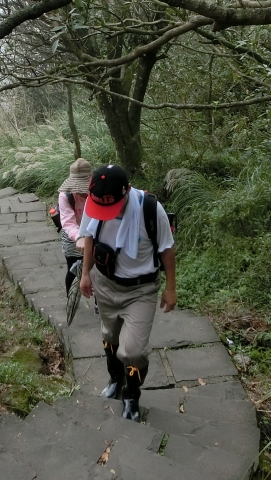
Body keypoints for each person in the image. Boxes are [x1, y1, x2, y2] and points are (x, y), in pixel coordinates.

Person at [79, 164, 176, 422]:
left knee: (133, 351)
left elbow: (166, 249)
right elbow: (89, 236)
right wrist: (86, 273)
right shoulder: (95, 204)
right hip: (106, 283)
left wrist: (170, 288)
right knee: (109, 335)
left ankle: (131, 394)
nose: (105, 214)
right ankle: (115, 377)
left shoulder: (150, 210)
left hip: (141, 290)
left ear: (127, 191)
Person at [56, 158, 91, 295]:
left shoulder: (98, 193)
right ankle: (69, 298)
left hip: (93, 234)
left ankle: (98, 303)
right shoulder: (66, 196)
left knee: (98, 271)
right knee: (73, 268)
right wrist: (79, 237)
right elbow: (68, 222)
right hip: (72, 237)